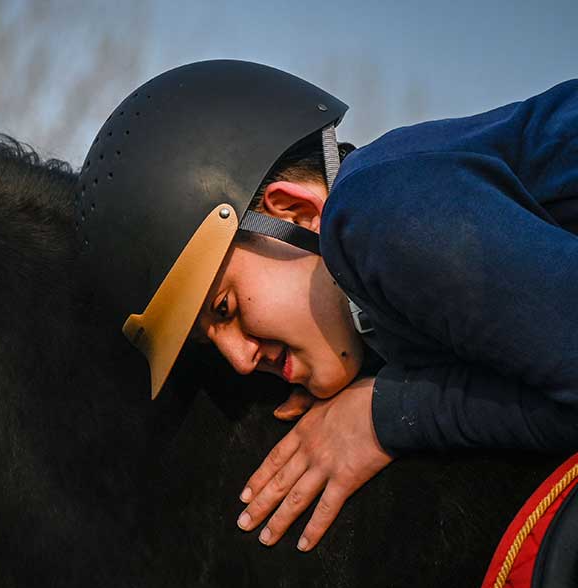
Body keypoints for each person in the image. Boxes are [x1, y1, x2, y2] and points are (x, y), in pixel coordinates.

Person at [76, 60, 578, 552]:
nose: (240, 359)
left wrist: (388, 413)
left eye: (224, 309)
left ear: (294, 211)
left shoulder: (377, 214)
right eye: (211, 340)